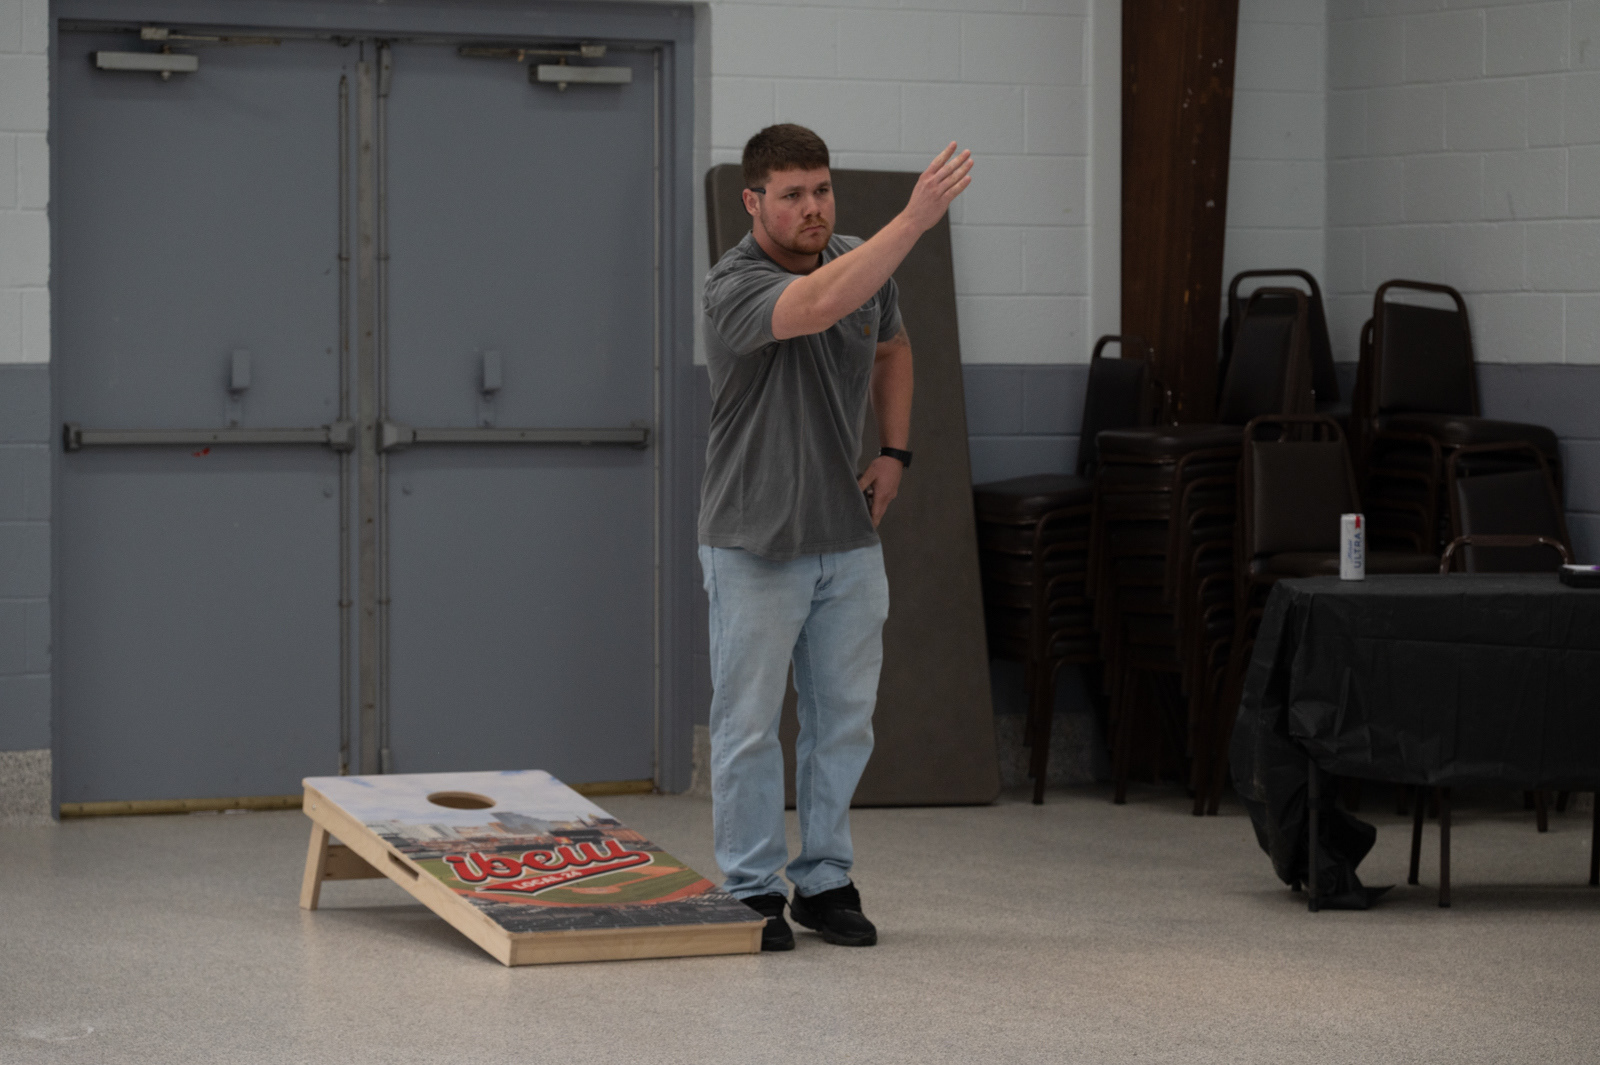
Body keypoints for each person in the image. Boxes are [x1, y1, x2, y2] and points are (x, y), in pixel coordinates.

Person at [698, 124, 972, 951]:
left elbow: (893, 347)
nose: (813, 207)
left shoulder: (859, 259)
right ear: (753, 202)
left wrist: (894, 452)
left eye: (821, 189)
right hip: (753, 539)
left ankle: (823, 882)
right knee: (749, 725)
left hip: (846, 539)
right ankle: (750, 887)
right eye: (792, 195)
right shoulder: (734, 283)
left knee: (844, 721)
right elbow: (816, 306)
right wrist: (915, 219)